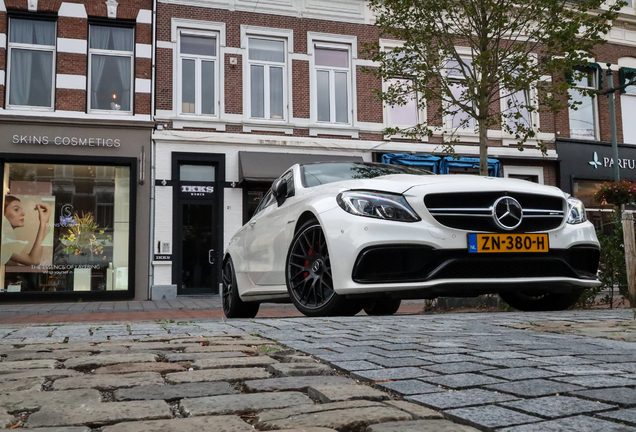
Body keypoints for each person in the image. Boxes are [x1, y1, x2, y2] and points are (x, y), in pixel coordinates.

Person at [2, 196, 51, 266]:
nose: (23, 213)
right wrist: (43, 223)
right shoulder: (3, 240)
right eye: (16, 210)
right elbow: (34, 261)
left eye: (22, 209)